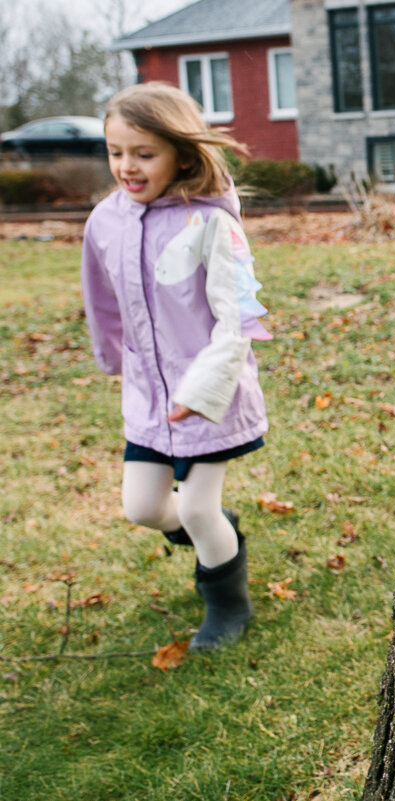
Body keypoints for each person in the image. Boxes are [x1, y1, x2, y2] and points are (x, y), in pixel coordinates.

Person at [81, 82, 271, 651]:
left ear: (181, 154)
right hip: (149, 397)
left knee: (195, 505)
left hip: (211, 398)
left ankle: (228, 608)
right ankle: (219, 534)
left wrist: (202, 388)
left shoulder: (211, 224)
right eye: (116, 152)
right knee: (143, 507)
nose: (127, 167)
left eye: (144, 154)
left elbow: (235, 319)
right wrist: (113, 359)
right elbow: (102, 299)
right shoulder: (105, 221)